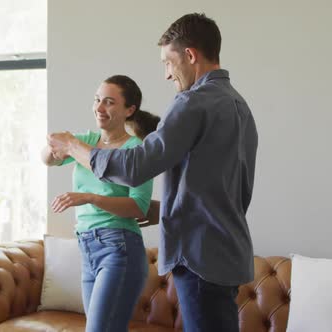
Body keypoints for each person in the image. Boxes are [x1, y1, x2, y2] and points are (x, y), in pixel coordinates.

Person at [47, 13, 258, 332]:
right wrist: (167, 208)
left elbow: (135, 167)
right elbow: (225, 189)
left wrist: (73, 146)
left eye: (168, 62)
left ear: (190, 55)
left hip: (199, 258)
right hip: (226, 253)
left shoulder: (192, 103)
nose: (167, 75)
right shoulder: (238, 106)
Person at [42, 75, 160, 332]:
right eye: (97, 100)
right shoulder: (87, 142)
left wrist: (89, 198)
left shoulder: (136, 150)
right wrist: (53, 147)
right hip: (87, 248)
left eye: (109, 102)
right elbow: (48, 159)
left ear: (129, 110)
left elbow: (138, 206)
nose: (99, 108)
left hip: (119, 249)